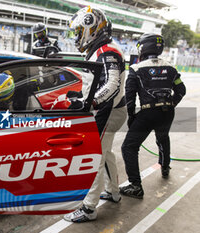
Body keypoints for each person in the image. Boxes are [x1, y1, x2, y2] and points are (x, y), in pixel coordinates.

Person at [63, 6, 127, 223]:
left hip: (109, 112)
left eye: (78, 31)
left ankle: (89, 209)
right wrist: (80, 96)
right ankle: (114, 192)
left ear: (90, 27)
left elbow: (112, 84)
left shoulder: (106, 51)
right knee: (106, 153)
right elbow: (102, 83)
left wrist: (88, 101)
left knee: (94, 158)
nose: (76, 36)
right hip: (111, 111)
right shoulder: (102, 49)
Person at [119, 33, 186, 199]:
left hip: (148, 113)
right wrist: (170, 103)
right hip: (168, 112)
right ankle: (165, 167)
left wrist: (132, 117)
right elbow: (181, 90)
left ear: (143, 47)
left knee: (129, 146)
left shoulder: (136, 69)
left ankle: (135, 185)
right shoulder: (171, 68)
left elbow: (130, 97)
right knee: (163, 138)